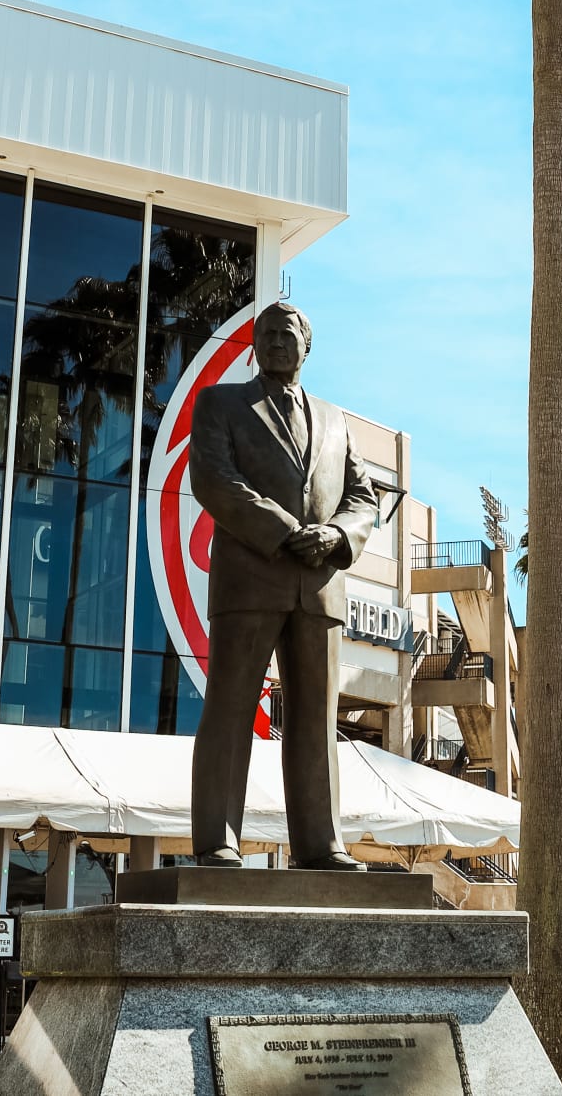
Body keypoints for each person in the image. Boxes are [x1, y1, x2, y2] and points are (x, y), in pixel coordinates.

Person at [188, 302, 381, 870]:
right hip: (249, 578)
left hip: (319, 588)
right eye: (267, 333)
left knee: (316, 721)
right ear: (254, 345)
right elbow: (214, 480)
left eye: (288, 334)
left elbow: (363, 498)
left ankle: (321, 844)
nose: (277, 341)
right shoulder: (221, 403)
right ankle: (218, 840)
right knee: (229, 709)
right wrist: (288, 531)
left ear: (307, 346)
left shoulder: (335, 419)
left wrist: (336, 536)